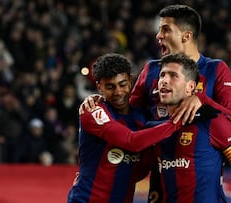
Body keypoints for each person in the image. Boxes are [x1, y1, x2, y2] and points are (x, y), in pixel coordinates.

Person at [79, 4, 231, 202]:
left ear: (186, 36)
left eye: (165, 29)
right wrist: (100, 100)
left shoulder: (216, 69)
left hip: (201, 178)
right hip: (161, 175)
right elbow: (127, 112)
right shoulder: (151, 70)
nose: (158, 36)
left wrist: (201, 99)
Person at [67, 53, 189, 203]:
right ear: (99, 87)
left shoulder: (141, 118)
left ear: (131, 81)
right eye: (110, 87)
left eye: (122, 84)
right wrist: (178, 121)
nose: (118, 92)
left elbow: (141, 169)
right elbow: (131, 141)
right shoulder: (93, 110)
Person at [155, 53, 231, 202]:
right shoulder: (155, 127)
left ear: (191, 87)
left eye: (173, 76)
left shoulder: (213, 122)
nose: (164, 81)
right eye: (162, 75)